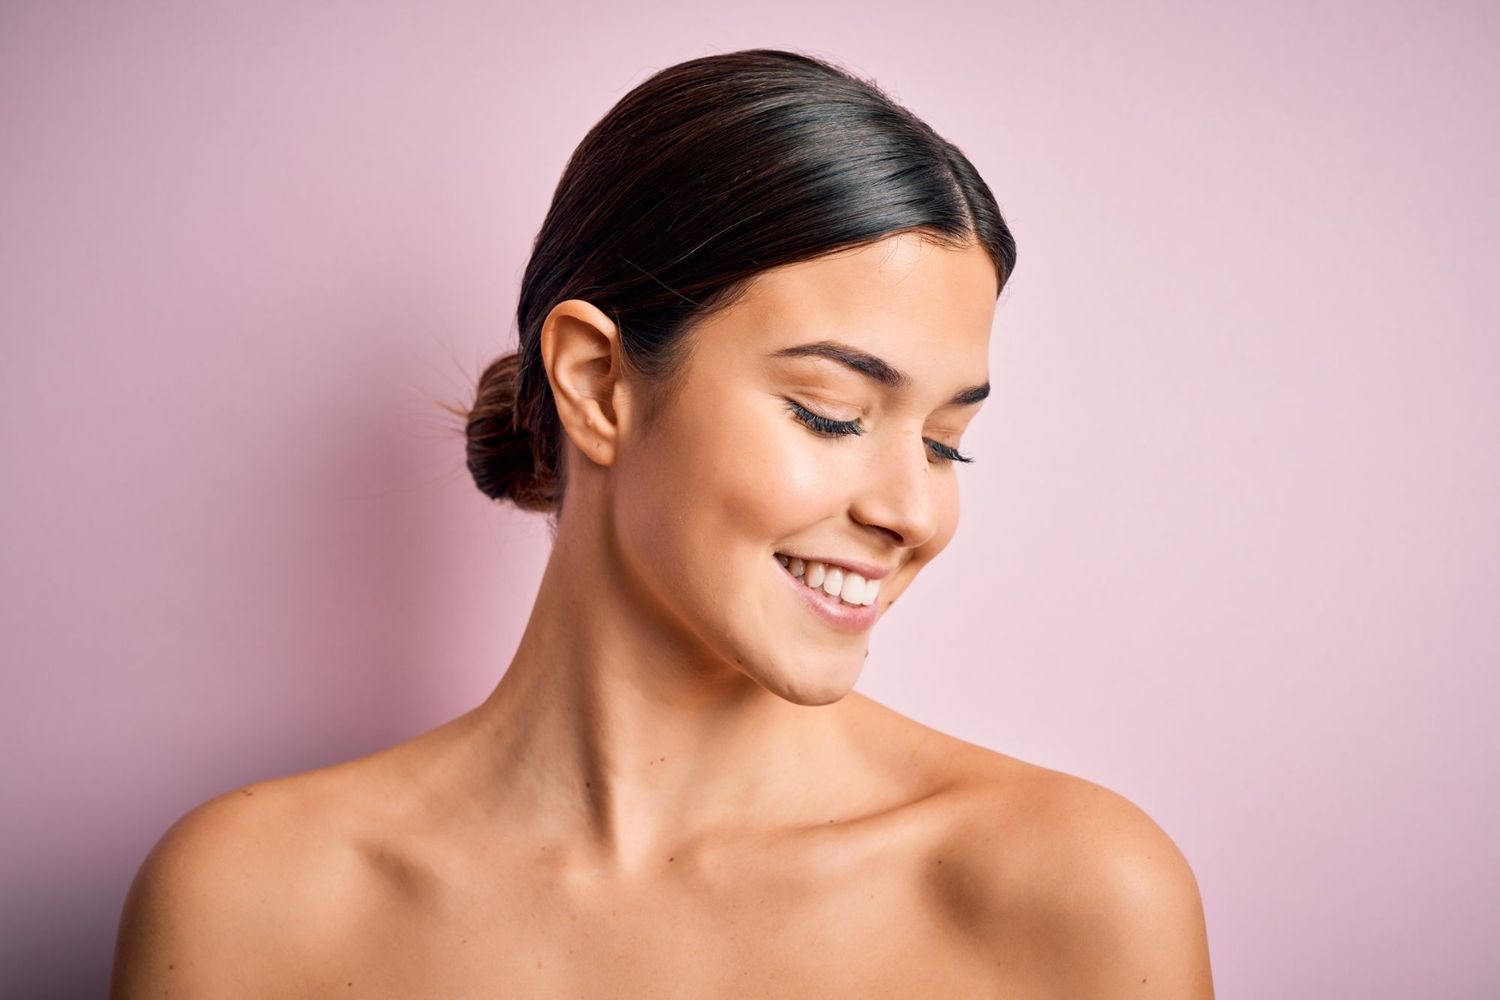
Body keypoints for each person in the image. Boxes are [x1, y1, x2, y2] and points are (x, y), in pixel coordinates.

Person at [111, 48, 1213, 997]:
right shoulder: (251, 902)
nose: (913, 511)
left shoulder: (1072, 892)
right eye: (831, 413)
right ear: (596, 384)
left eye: (943, 441)